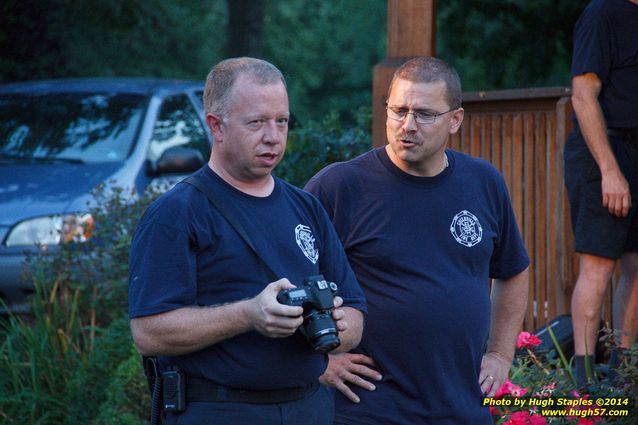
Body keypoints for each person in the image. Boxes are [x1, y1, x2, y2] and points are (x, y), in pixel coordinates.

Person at [128, 57, 367, 425]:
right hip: (221, 410)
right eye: (256, 122)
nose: (273, 136)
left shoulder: (307, 207)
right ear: (216, 127)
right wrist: (248, 315)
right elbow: (148, 333)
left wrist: (341, 325)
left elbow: (353, 309)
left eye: (282, 121)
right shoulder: (176, 213)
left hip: (309, 407)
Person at [305, 56, 530, 425]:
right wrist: (317, 364)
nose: (407, 125)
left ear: (455, 120)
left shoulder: (483, 182)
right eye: (398, 111)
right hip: (370, 410)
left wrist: (501, 355)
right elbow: (284, 278)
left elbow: (513, 270)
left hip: (463, 407)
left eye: (425, 114)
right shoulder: (340, 187)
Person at [564, 0, 638, 387]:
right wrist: (611, 171)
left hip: (636, 151)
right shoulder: (602, 14)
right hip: (602, 152)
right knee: (599, 265)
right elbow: (582, 95)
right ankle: (584, 381)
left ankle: (622, 374)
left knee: (637, 266)